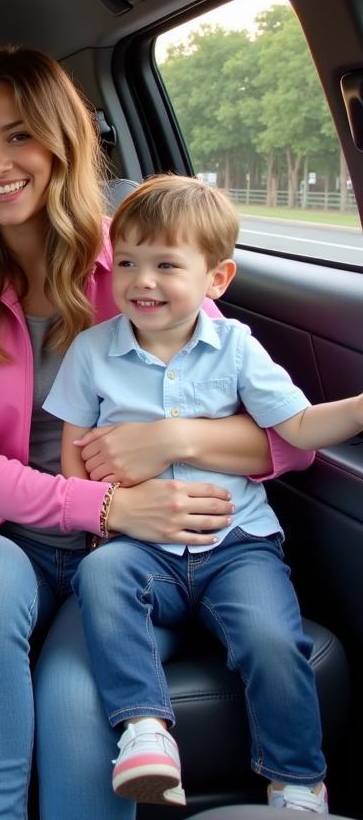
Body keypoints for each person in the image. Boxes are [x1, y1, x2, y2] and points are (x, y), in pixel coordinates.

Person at [0, 47, 315, 820]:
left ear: (62, 142)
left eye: (18, 136)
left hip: (131, 558)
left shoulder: (137, 259)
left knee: (72, 697)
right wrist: (104, 508)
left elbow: (286, 442)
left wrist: (171, 441)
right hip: (3, 533)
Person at [47, 174, 343, 813]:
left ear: (217, 279)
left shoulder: (237, 347)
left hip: (237, 543)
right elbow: (73, 450)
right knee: (101, 577)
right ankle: (144, 730)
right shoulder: (92, 350)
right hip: (138, 543)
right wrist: (100, 522)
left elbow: (296, 428)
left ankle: (296, 782)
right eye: (126, 262)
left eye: (164, 265)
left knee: (272, 638)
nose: (140, 280)